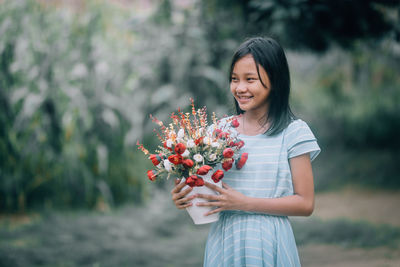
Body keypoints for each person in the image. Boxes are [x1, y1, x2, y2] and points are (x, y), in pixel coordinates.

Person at [171, 36, 320, 267]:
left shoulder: (294, 133)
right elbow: (207, 187)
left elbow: (305, 203)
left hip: (269, 241)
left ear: (276, 81)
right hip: (225, 241)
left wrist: (244, 202)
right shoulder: (219, 131)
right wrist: (185, 196)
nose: (240, 88)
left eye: (250, 79)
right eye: (234, 79)